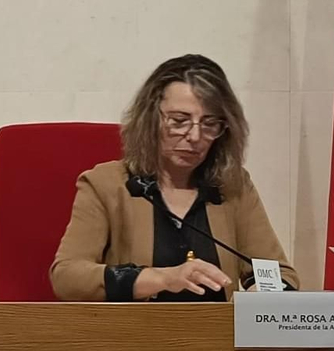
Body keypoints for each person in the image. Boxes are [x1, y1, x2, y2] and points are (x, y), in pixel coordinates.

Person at [50, 54, 299, 301]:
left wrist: (261, 294)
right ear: (150, 119)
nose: (194, 136)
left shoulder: (233, 185)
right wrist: (162, 279)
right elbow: (67, 276)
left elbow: (280, 275)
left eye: (210, 123)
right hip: (134, 337)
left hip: (216, 337)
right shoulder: (106, 184)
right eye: (179, 121)